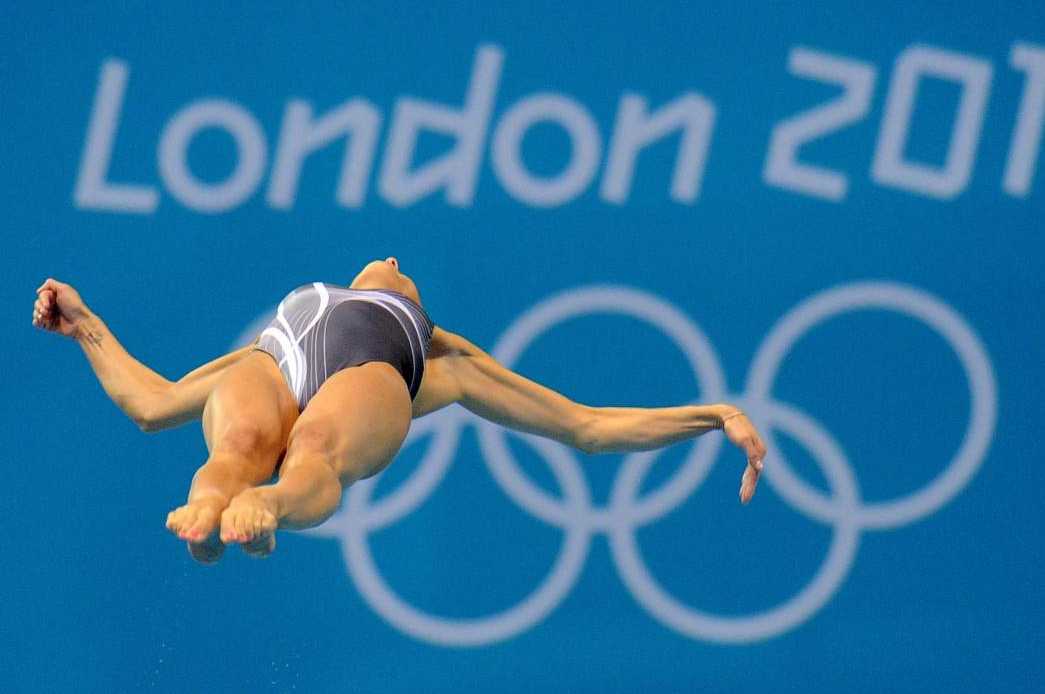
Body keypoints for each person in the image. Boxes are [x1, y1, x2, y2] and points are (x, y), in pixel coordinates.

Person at [30, 258, 767, 564]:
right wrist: (86, 324)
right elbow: (152, 404)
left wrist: (714, 413)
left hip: (370, 380)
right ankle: (212, 515)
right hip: (275, 364)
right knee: (241, 441)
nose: (392, 256)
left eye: (403, 270)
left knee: (314, 446)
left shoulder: (444, 360)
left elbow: (588, 427)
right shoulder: (293, 313)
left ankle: (272, 508)